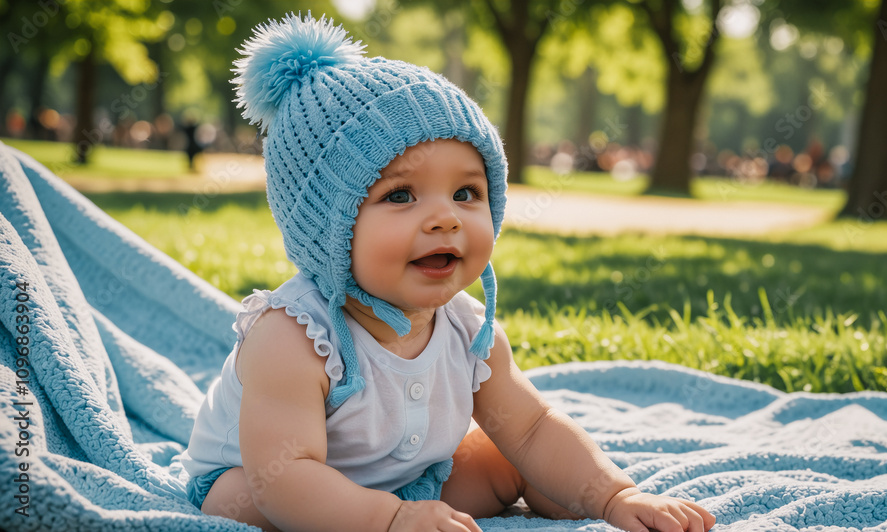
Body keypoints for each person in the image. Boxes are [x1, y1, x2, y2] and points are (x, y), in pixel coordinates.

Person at [178, 13, 715, 532]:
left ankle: (580, 497)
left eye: (466, 193)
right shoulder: (293, 336)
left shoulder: (467, 329)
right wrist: (386, 520)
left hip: (406, 480)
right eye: (401, 195)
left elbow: (530, 428)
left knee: (515, 459)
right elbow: (285, 476)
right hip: (267, 478)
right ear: (327, 228)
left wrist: (615, 494)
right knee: (245, 505)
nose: (445, 217)